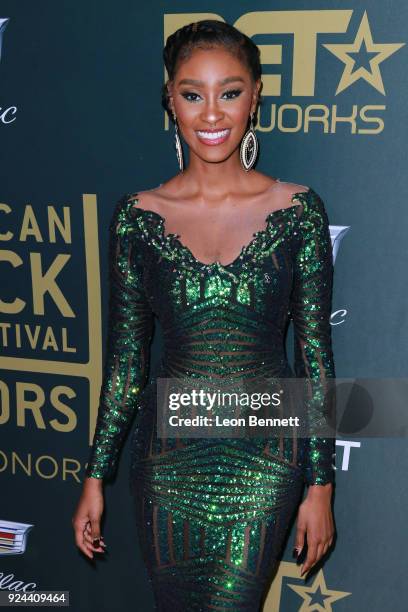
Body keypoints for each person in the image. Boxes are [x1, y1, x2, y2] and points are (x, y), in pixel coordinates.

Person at [72, 19, 336, 611]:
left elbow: (315, 355)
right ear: (170, 99)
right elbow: (125, 364)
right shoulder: (137, 217)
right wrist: (95, 476)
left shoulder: (297, 211)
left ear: (256, 96)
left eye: (230, 92)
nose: (211, 113)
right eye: (193, 94)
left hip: (263, 460)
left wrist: (321, 483)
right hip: (166, 464)